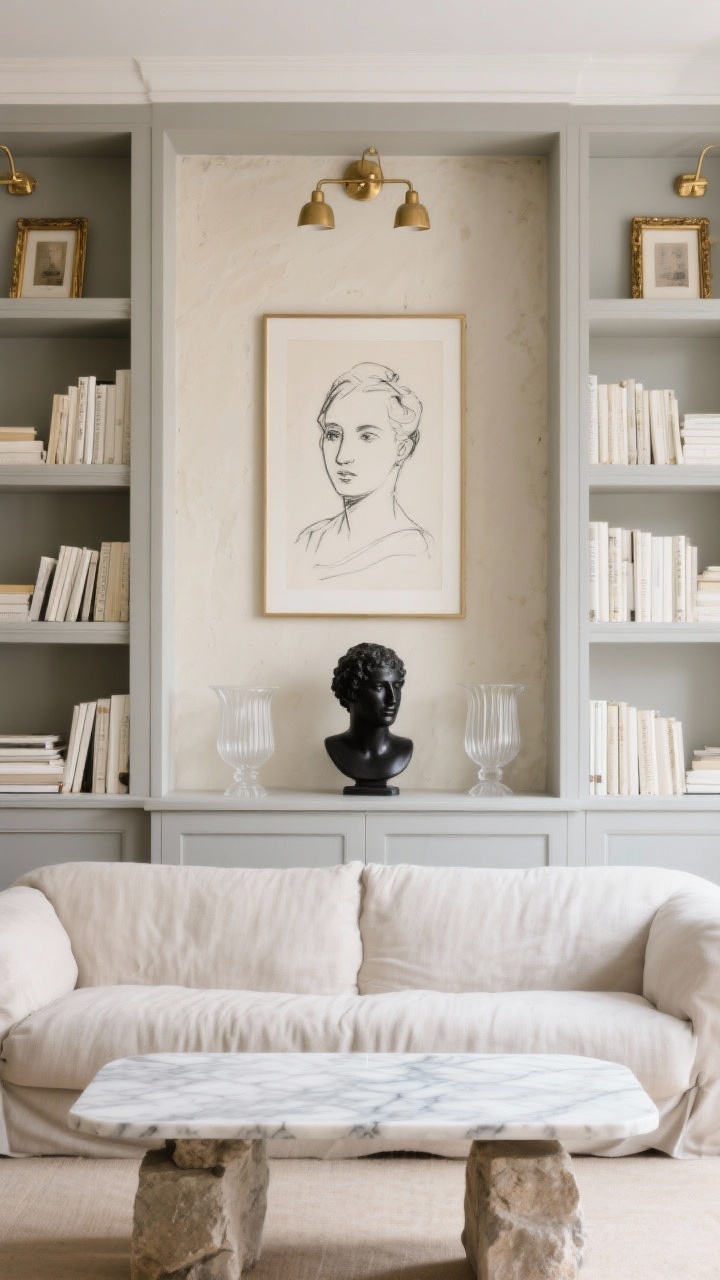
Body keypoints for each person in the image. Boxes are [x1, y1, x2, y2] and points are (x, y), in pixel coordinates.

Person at [297, 362, 433, 582]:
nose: (342, 457)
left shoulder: (416, 553)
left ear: (401, 449)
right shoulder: (309, 541)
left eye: (366, 436)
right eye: (333, 434)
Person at [325, 642, 413, 795]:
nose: (392, 699)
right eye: (379, 687)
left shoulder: (404, 749)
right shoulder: (335, 747)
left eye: (397, 686)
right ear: (351, 692)